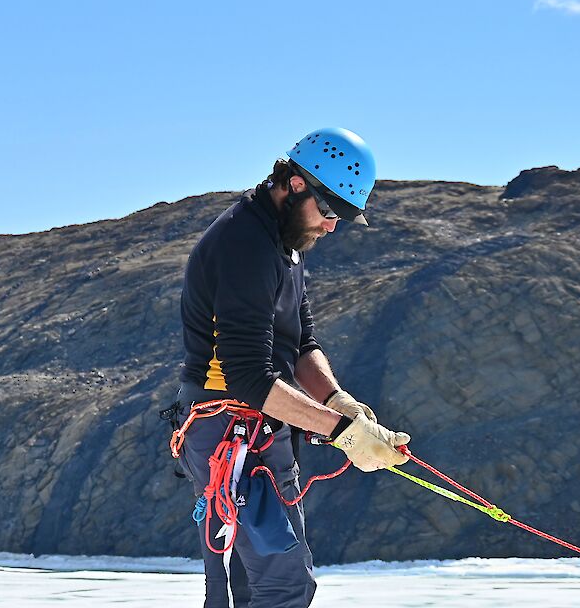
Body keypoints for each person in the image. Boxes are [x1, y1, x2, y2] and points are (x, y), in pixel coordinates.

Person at [173, 128, 411, 608]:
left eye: (340, 217)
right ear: (296, 184)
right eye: (328, 212)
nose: (331, 227)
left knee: (246, 586)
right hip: (228, 433)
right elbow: (249, 376)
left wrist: (338, 402)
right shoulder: (246, 245)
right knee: (283, 585)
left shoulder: (283, 242)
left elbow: (302, 342)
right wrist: (342, 432)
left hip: (257, 429)